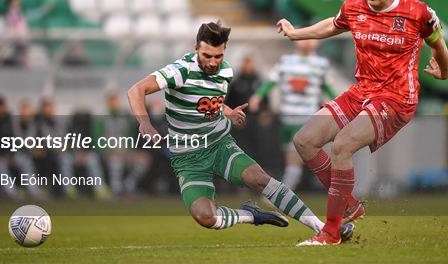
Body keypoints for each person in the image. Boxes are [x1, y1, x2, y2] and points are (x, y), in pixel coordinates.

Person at [127, 21, 354, 243]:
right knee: (205, 217)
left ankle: (325, 228)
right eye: (207, 56)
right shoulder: (180, 71)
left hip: (219, 146)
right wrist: (145, 123)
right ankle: (250, 215)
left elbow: (208, 103)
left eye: (218, 56)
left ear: (224, 51)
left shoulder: (225, 71)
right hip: (188, 158)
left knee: (261, 180)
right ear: (196, 49)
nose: (213, 62)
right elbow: (136, 90)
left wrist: (227, 111)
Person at [277, 0, 448, 246]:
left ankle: (331, 233)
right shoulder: (354, 5)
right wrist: (297, 34)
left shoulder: (418, 13)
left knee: (343, 145)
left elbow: (439, 45)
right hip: (362, 91)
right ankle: (349, 203)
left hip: (396, 98)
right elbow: (333, 25)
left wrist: (444, 71)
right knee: (304, 141)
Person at [249, 39, 336, 191]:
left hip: (308, 118)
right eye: (304, 38)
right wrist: (258, 96)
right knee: (295, 159)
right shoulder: (286, 61)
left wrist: (339, 105)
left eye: (311, 38)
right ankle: (335, 188)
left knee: (296, 159)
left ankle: (282, 193)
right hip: (287, 117)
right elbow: (270, 82)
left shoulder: (320, 64)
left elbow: (328, 88)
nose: (307, 42)